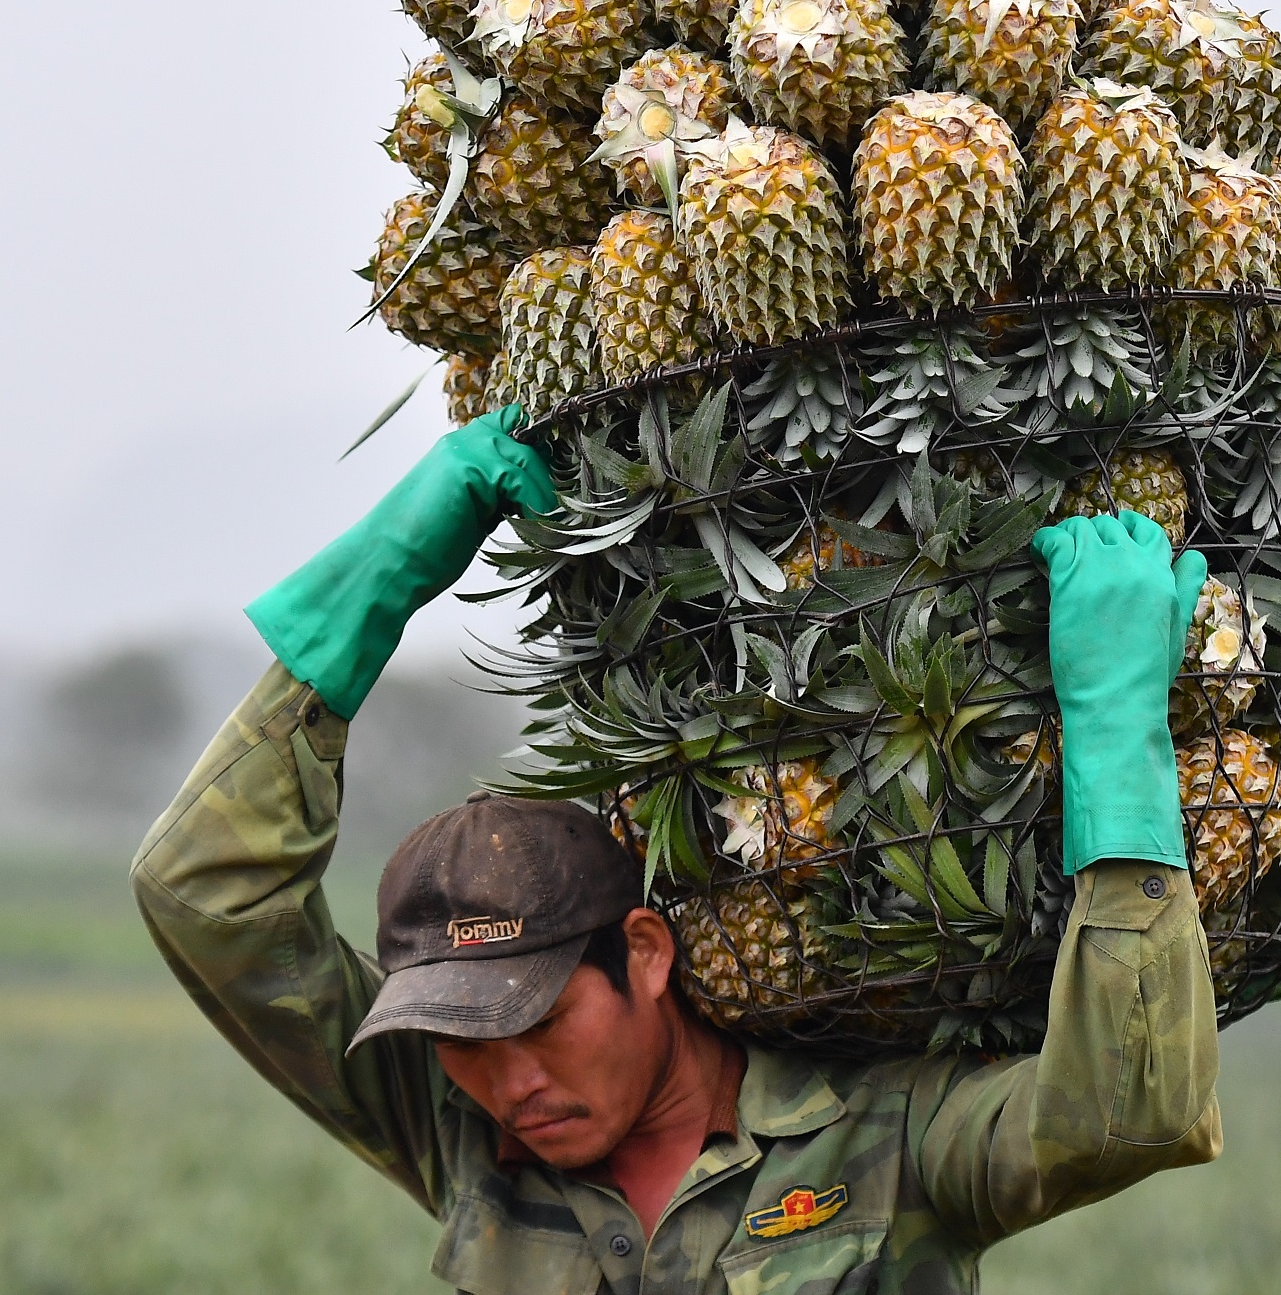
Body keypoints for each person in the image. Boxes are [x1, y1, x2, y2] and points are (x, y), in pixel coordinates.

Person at [134, 409, 1221, 1293]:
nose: (509, 1083)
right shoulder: (455, 1128)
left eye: (541, 1017)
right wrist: (370, 590)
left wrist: (1118, 738)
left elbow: (1130, 1114)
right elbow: (201, 896)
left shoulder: (884, 1131)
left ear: (645, 953)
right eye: (464, 1038)